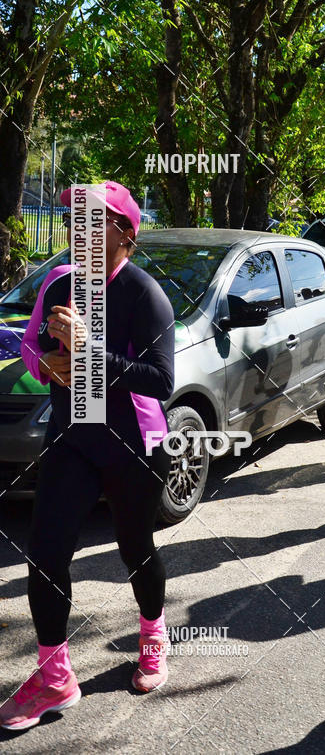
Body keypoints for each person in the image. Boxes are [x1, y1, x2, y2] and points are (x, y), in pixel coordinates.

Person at [0, 182, 175, 732]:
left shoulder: (145, 294)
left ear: (126, 234)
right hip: (73, 439)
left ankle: (152, 634)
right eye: (78, 220)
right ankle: (54, 677)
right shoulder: (59, 281)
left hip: (132, 442)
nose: (82, 232)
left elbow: (161, 381)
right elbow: (29, 348)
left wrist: (90, 352)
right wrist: (49, 365)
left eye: (96, 221)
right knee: (46, 552)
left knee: (134, 547)